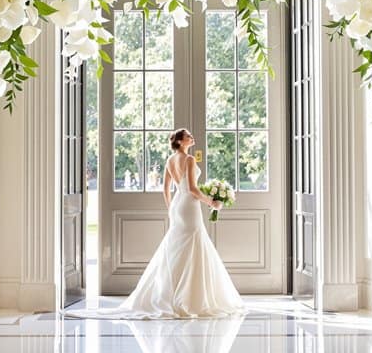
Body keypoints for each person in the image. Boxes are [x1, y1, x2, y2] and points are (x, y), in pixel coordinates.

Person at [68, 128, 246, 319]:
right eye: (188, 136)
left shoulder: (170, 160)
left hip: (179, 205)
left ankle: (173, 293)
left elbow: (166, 188)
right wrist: (211, 202)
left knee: (178, 246)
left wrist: (171, 207)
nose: (191, 137)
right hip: (189, 206)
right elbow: (193, 189)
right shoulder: (189, 160)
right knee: (193, 243)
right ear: (179, 141)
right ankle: (192, 296)